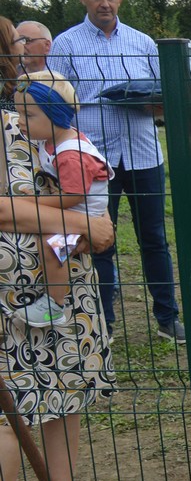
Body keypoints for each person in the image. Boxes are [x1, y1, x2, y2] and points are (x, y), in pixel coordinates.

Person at [0, 99, 116, 481]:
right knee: (11, 411)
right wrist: (80, 221)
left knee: (66, 394)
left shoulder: (24, 117)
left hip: (66, 283)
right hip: (11, 297)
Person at [48, 0, 184, 343]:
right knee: (98, 241)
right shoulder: (66, 45)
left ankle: (167, 318)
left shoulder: (142, 42)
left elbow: (166, 98)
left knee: (155, 238)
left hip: (143, 155)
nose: (104, 3)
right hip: (91, 161)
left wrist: (151, 103)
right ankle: (102, 321)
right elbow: (54, 103)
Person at [13, 73, 110, 329]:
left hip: (84, 211)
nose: (20, 122)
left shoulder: (70, 154)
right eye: (19, 114)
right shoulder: (54, 141)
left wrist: (37, 203)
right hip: (81, 209)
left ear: (54, 114)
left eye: (28, 116)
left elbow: (74, 195)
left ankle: (54, 306)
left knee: (53, 246)